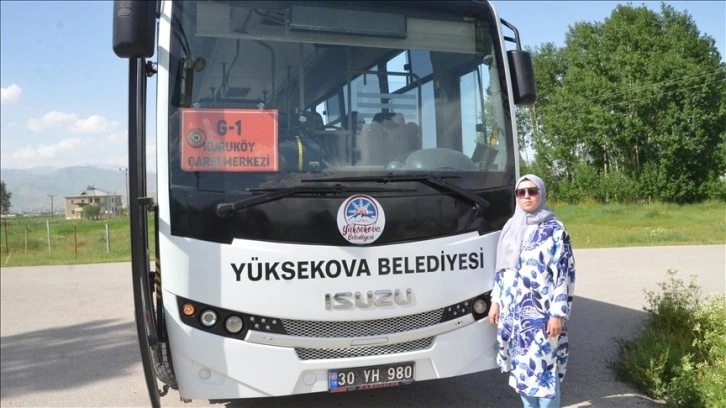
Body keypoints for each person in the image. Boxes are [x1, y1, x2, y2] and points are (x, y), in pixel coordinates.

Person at [488, 174, 575, 408]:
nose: (526, 196)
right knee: (522, 372)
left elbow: (564, 274)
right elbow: (502, 270)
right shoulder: (511, 227)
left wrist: (557, 314)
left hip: (542, 315)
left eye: (532, 191)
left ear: (541, 194)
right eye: (521, 192)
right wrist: (495, 301)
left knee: (544, 369)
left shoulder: (554, 229)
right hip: (513, 316)